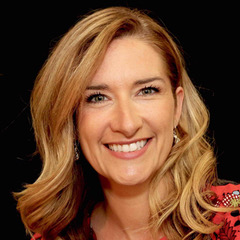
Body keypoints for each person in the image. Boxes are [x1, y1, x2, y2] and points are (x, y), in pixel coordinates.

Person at [15, 7, 240, 240]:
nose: (127, 124)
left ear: (177, 106)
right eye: (98, 98)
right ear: (71, 122)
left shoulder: (232, 215)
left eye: (146, 91)